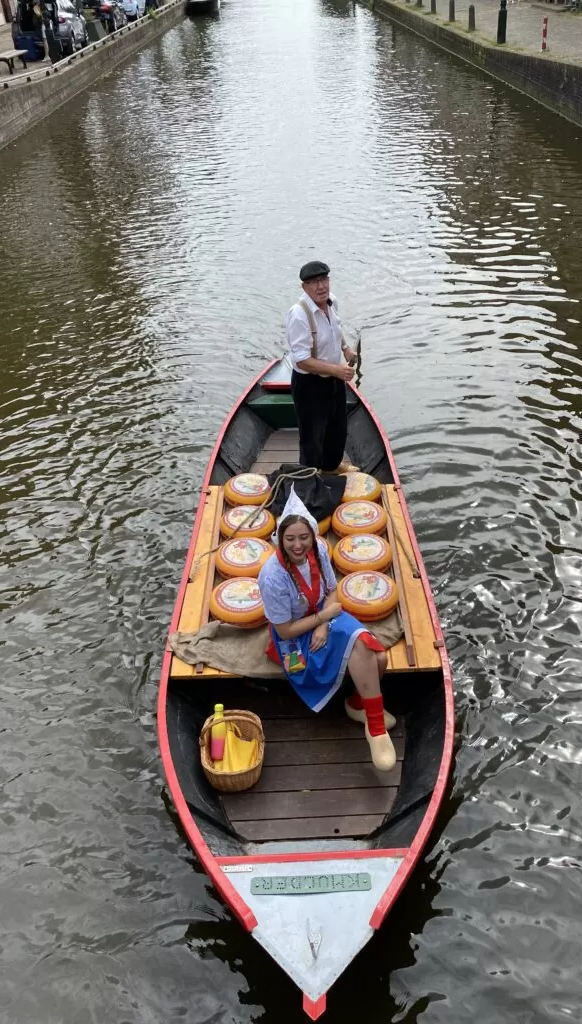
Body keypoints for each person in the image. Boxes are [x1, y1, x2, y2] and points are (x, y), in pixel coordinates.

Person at [257, 488, 396, 771]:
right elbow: (284, 631)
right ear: (280, 540)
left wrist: (323, 621)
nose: (298, 545)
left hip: (323, 616)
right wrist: (320, 618)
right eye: (291, 539)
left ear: (312, 535)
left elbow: (332, 590)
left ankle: (365, 713)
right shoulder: (273, 577)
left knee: (374, 653)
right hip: (296, 631)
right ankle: (374, 723)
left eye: (304, 537)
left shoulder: (319, 550)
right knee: (374, 658)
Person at [285, 260, 358, 473]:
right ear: (304, 287)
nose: (321, 286)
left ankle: (331, 467)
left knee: (337, 430)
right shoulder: (299, 314)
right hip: (309, 384)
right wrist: (337, 370)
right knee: (312, 437)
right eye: (314, 282)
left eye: (324, 279)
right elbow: (301, 360)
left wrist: (345, 349)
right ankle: (310, 479)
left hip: (333, 380)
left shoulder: (331, 302)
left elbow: (335, 328)